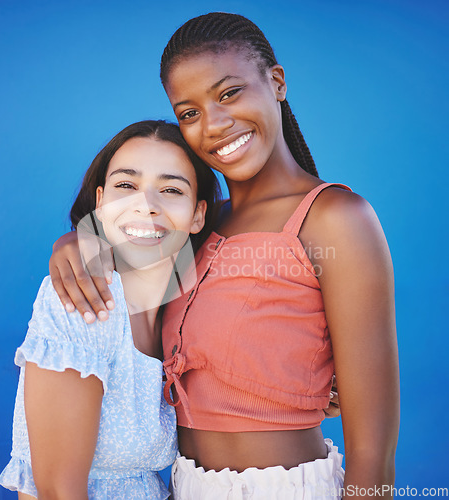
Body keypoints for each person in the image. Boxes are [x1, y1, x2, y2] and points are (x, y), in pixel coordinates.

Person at [48, 13, 400, 499]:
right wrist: (77, 241)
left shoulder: (335, 218)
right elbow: (127, 249)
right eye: (188, 112)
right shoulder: (196, 223)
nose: (213, 125)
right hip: (182, 486)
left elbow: (373, 449)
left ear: (276, 82)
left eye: (229, 93)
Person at [0, 120, 222, 500]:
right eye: (126, 185)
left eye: (170, 189)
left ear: (198, 215)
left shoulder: (181, 311)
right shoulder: (84, 300)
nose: (146, 205)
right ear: (100, 203)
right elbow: (57, 492)